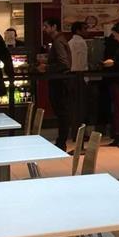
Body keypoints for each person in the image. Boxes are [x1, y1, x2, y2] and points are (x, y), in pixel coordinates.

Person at [42, 17, 72, 150]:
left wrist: (46, 68)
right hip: (61, 81)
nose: (44, 29)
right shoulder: (60, 40)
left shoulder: (58, 42)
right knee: (62, 112)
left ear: (54, 27)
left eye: (46, 26)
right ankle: (61, 141)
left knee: (61, 113)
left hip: (59, 82)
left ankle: (61, 142)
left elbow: (64, 64)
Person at [68, 21, 88, 134]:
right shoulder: (81, 43)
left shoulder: (70, 42)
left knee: (74, 107)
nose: (87, 31)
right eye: (85, 29)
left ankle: (76, 132)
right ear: (78, 30)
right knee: (80, 107)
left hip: (71, 77)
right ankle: (80, 133)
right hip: (79, 77)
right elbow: (82, 63)